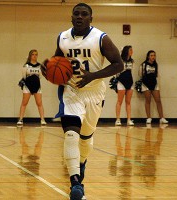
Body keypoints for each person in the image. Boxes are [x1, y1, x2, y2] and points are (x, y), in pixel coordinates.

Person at [45, 3, 123, 200]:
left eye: (84, 14)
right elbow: (57, 61)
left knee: (86, 138)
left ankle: (81, 163)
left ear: (91, 18)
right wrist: (49, 69)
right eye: (76, 14)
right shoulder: (62, 37)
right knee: (71, 134)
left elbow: (119, 64)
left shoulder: (101, 38)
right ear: (71, 17)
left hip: (94, 93)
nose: (80, 17)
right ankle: (75, 184)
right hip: (71, 92)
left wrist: (93, 76)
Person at [17, 49, 46, 125]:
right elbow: (24, 76)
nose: (34, 56)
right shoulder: (26, 66)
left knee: (39, 103)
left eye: (36, 54)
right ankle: (20, 119)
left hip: (37, 86)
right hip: (27, 86)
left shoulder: (40, 66)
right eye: (33, 54)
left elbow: (40, 76)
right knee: (24, 103)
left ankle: (42, 119)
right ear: (30, 55)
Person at [139, 50, 168, 124]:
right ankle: (148, 118)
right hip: (146, 84)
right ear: (148, 56)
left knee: (158, 101)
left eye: (154, 55)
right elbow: (140, 74)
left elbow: (156, 74)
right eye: (151, 55)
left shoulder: (156, 64)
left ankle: (161, 118)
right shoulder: (144, 64)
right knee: (148, 101)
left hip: (154, 84)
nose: (153, 57)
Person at [115, 45, 135, 126]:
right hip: (121, 82)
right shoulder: (120, 60)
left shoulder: (132, 61)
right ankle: (118, 119)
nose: (132, 51)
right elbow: (117, 73)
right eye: (130, 50)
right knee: (120, 101)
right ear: (126, 51)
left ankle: (129, 119)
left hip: (130, 82)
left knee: (128, 102)